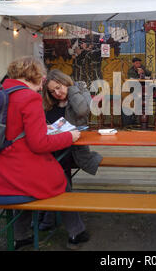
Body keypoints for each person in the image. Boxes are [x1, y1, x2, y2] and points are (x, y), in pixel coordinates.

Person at [0, 56, 82, 250]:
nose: (42, 86)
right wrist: (70, 137)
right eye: (42, 80)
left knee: (30, 183)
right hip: (18, 176)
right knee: (61, 178)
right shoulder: (29, 98)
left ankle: (20, 235)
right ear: (34, 75)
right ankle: (76, 231)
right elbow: (39, 144)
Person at [40, 69, 103, 240]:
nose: (57, 93)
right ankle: (54, 220)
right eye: (52, 91)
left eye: (59, 87)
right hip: (53, 149)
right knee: (58, 176)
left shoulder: (79, 92)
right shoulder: (48, 101)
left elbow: (83, 111)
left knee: (58, 177)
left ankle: (50, 218)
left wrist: (72, 88)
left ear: (65, 82)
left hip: (74, 151)